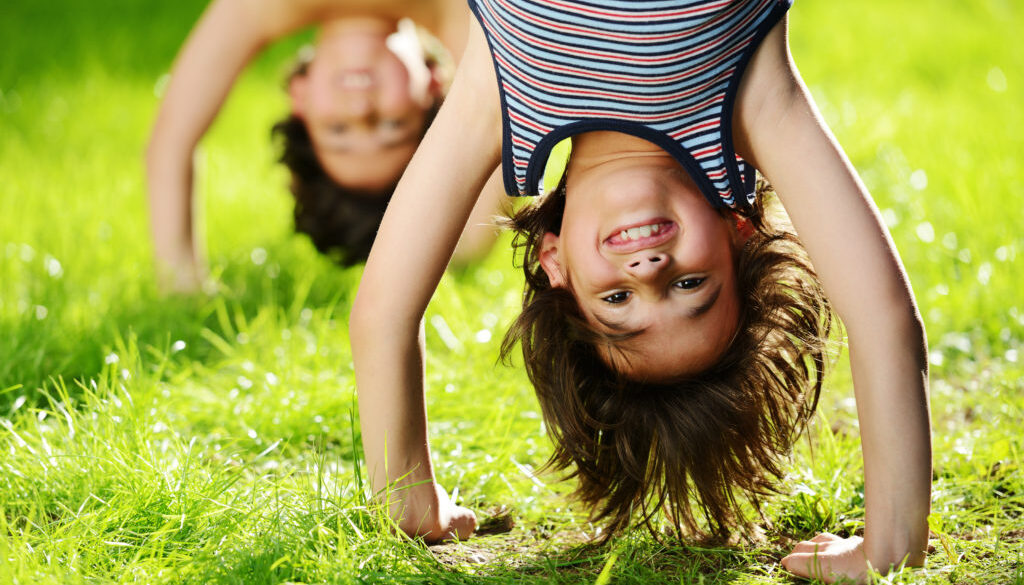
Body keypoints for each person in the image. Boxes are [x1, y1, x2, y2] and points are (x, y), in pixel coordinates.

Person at [350, 1, 931, 583]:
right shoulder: (752, 101)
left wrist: (405, 494)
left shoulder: (496, 97)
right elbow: (884, 320)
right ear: (738, 232)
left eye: (617, 302)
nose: (649, 269)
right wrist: (892, 546)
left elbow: (384, 314)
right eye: (689, 284)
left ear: (556, 262)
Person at [146, 0, 502, 292]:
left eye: (337, 130)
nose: (361, 109)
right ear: (434, 90)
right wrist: (455, 251)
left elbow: (171, 141)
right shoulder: (473, 20)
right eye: (391, 126)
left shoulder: (259, 9)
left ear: (299, 96)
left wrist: (181, 282)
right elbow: (505, 135)